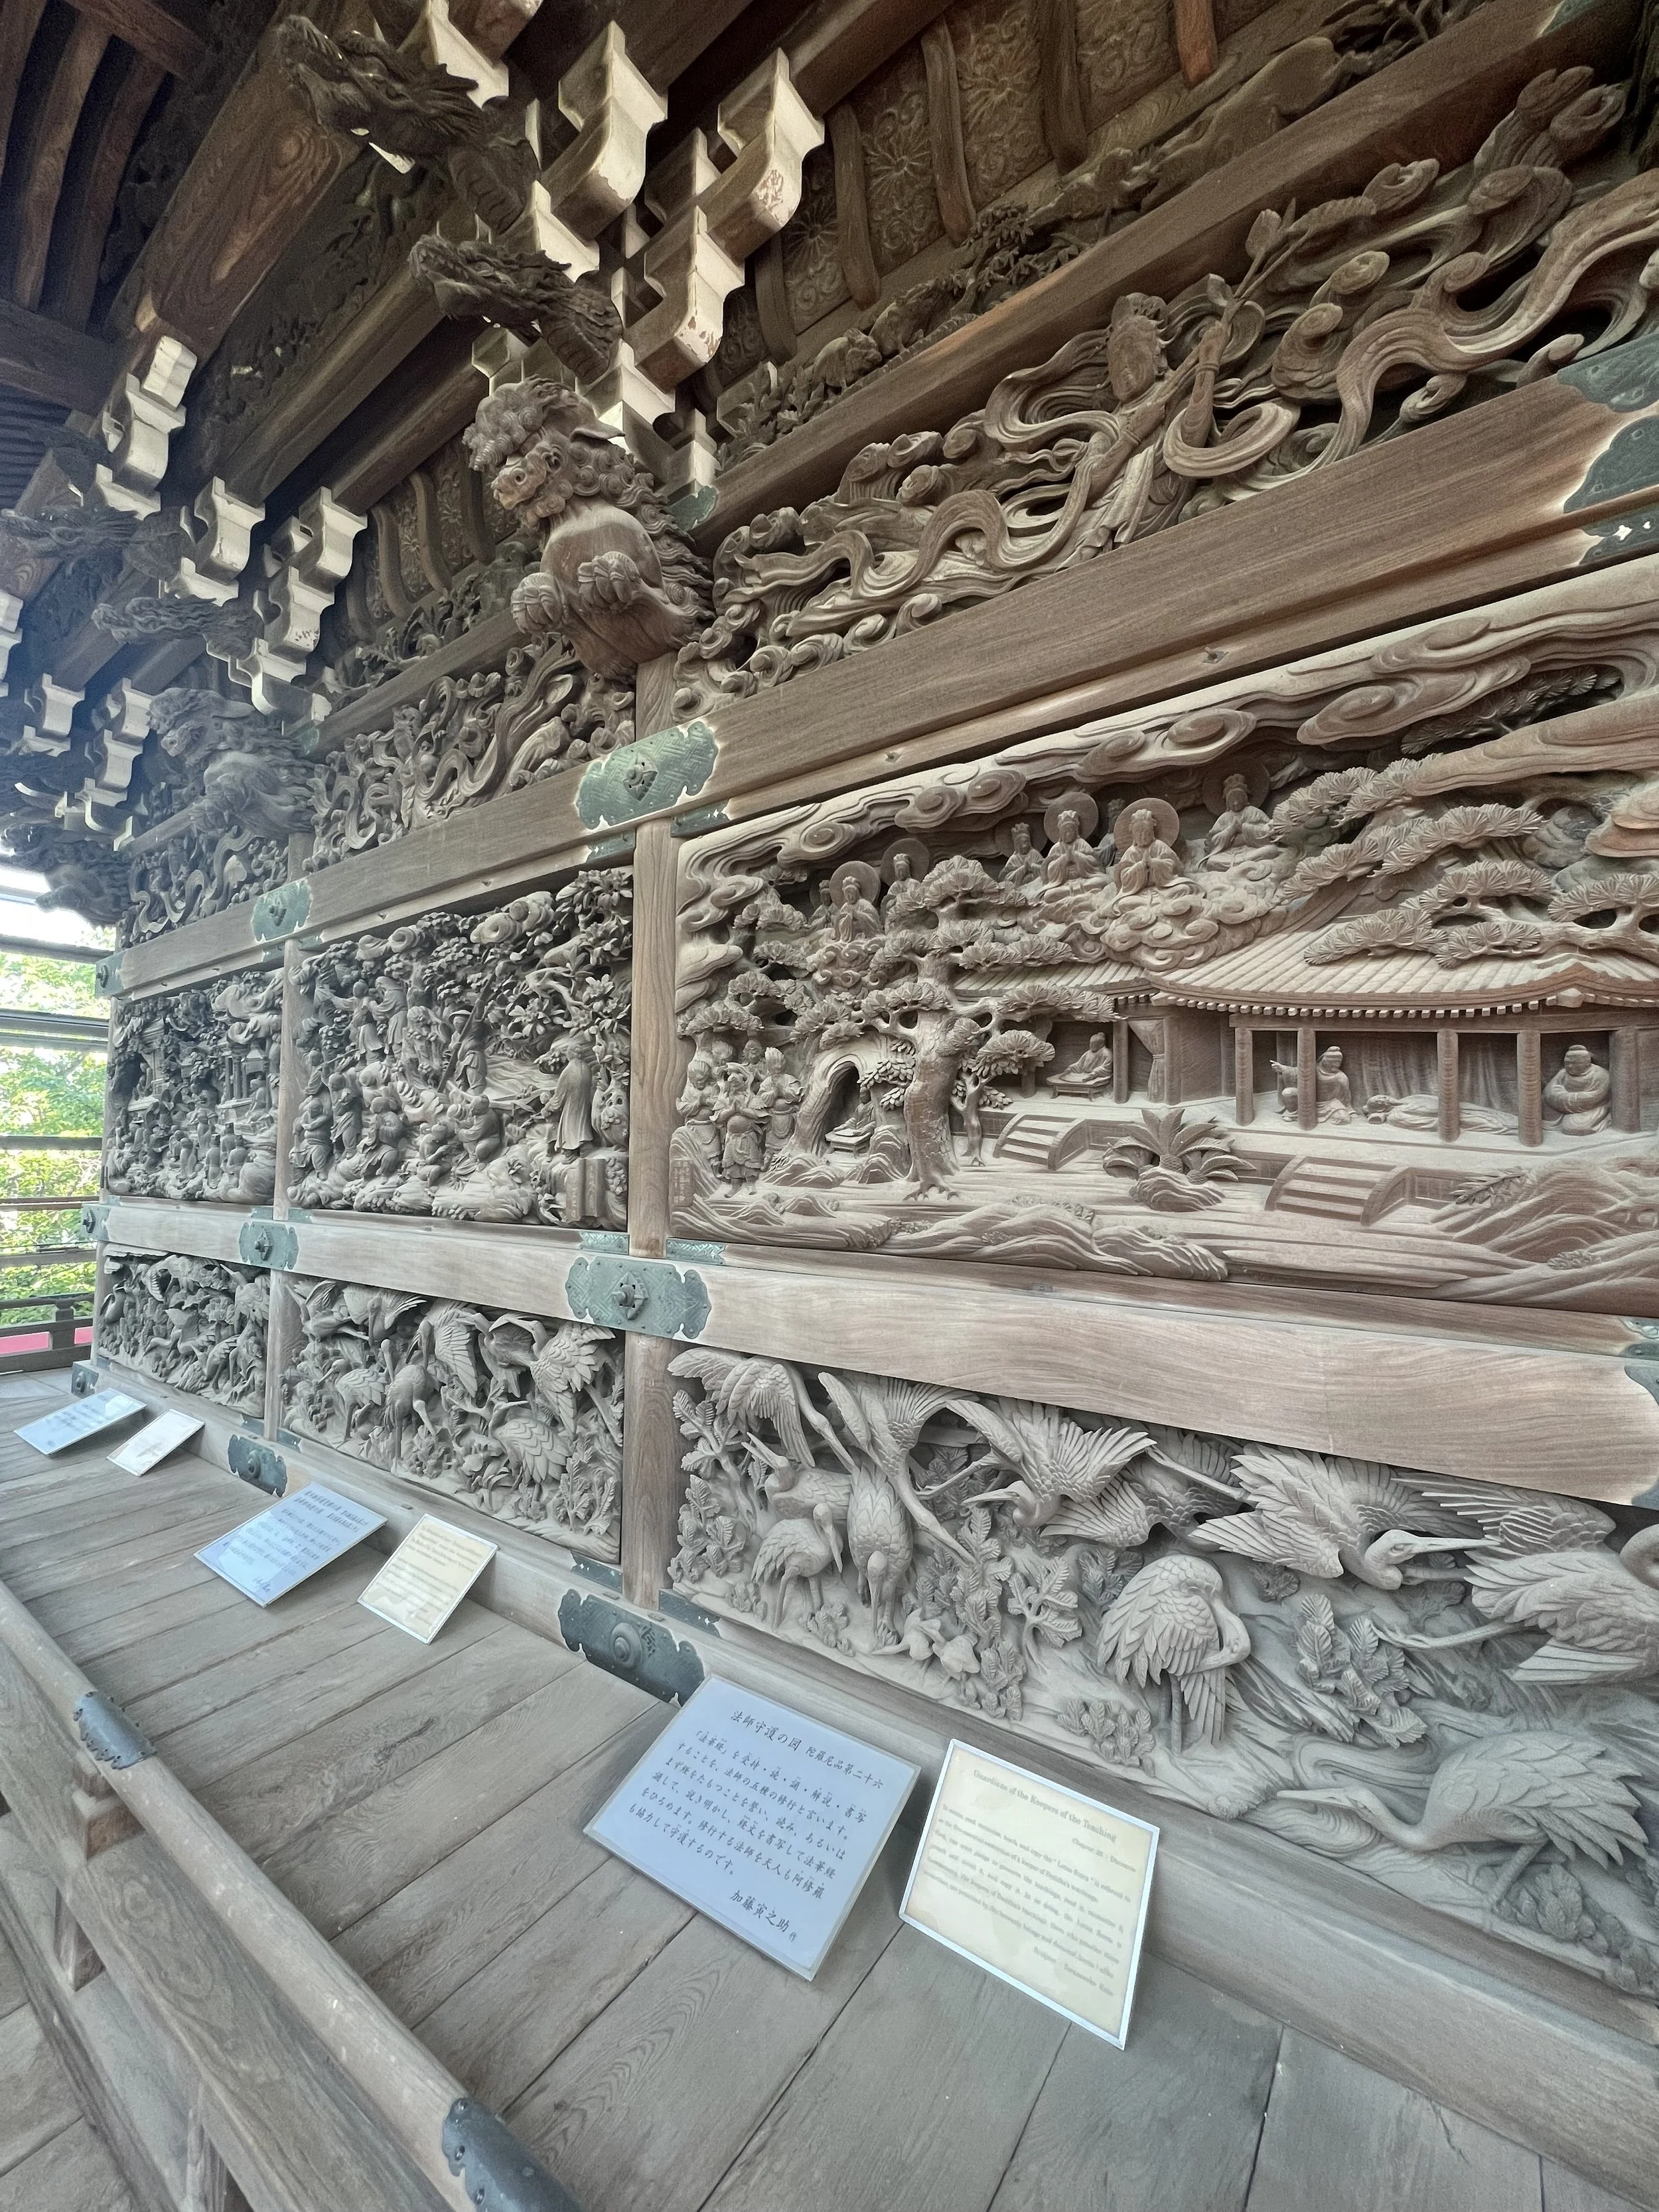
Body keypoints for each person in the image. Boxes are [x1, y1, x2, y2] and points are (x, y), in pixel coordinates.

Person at [1543, 1043, 1612, 1133]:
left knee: (1574, 1127)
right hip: (1560, 1106)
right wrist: (1561, 1097)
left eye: (1574, 1063)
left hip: (1591, 1108)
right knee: (1540, 1109)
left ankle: (1606, 1118)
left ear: (1586, 1063)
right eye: (1567, 1063)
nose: (1570, 1067)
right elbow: (1550, 1091)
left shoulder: (1600, 1075)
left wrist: (1563, 1096)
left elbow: (1594, 1097)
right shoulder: (1563, 1073)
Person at [1114, 805, 1180, 894]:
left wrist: (1154, 863)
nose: (1143, 837)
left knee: (1183, 889)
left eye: (1147, 832)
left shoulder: (1159, 846)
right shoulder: (1131, 852)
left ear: (1152, 832)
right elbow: (1124, 876)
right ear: (1133, 835)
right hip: (1138, 892)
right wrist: (1140, 865)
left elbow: (1172, 865)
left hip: (1165, 887)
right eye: (1139, 834)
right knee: (1124, 903)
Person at [1050, 1031, 1115, 1096]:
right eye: (1090, 1044)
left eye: (1094, 1044)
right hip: (1084, 1074)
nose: (1091, 1046)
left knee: (1083, 1080)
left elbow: (1106, 1068)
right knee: (1063, 1077)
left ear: (1101, 1045)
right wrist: (1070, 1069)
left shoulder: (1107, 1053)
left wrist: (1094, 1074)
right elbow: (1079, 1065)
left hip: (1096, 1075)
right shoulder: (1088, 1053)